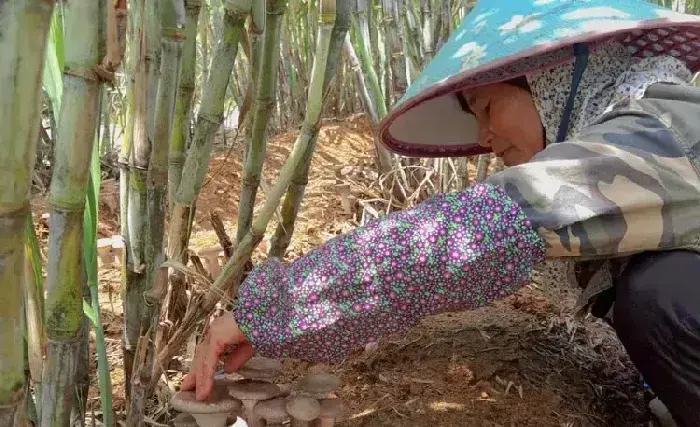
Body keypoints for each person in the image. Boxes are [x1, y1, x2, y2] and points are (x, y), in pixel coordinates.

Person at [182, 1, 700, 425]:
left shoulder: (661, 127)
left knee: (665, 293)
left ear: (555, 81)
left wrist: (277, 308)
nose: (484, 139)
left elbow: (478, 233)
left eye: (488, 108)